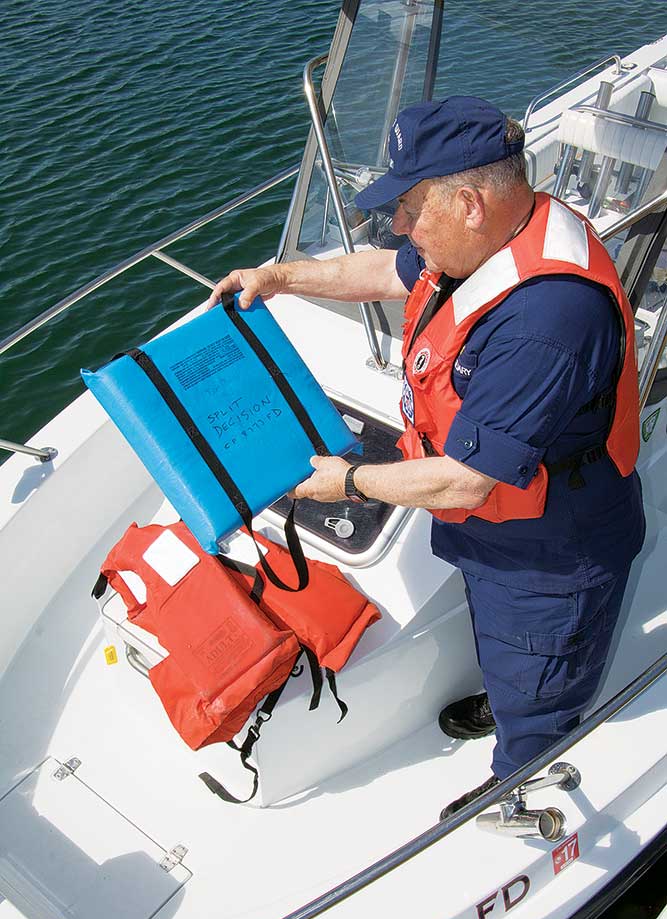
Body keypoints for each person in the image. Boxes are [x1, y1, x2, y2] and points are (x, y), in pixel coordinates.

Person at [207, 96, 645, 817]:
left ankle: (522, 769)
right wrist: (280, 278)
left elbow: (466, 481)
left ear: (469, 204)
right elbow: (387, 271)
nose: (399, 225)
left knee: (538, 662)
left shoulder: (546, 319)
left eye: (408, 207)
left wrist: (344, 480)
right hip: (500, 527)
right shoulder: (487, 235)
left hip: (549, 552)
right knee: (509, 650)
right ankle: (514, 697)